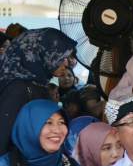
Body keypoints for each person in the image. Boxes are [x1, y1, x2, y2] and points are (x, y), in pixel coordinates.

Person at [0, 28, 77, 158]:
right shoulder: (19, 89)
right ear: (42, 55)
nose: (66, 63)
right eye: (60, 57)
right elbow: (3, 138)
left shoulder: (40, 85)